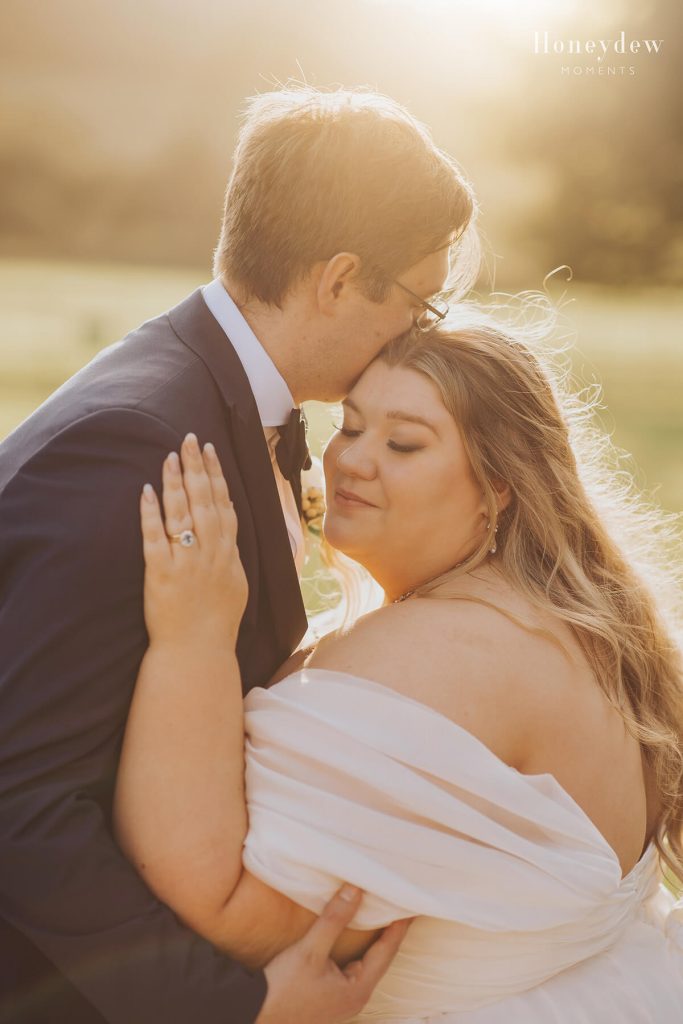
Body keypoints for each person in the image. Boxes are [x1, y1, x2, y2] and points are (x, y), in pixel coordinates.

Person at [0, 87, 476, 1024]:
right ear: (339, 280)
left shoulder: (219, 394)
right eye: (419, 305)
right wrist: (236, 1009)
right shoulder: (139, 442)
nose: (423, 335)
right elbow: (19, 802)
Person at [114, 310, 683, 1021]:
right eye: (348, 427)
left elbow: (224, 909)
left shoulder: (449, 652)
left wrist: (189, 636)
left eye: (404, 444)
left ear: (499, 485)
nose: (351, 460)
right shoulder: (570, 622)